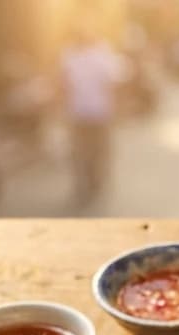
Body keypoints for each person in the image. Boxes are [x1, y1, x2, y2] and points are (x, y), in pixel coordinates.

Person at [60, 27, 123, 205]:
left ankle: (85, 184)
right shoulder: (102, 54)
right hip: (99, 112)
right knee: (97, 150)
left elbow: (63, 84)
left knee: (81, 151)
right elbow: (113, 82)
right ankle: (95, 182)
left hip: (79, 111)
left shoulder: (69, 55)